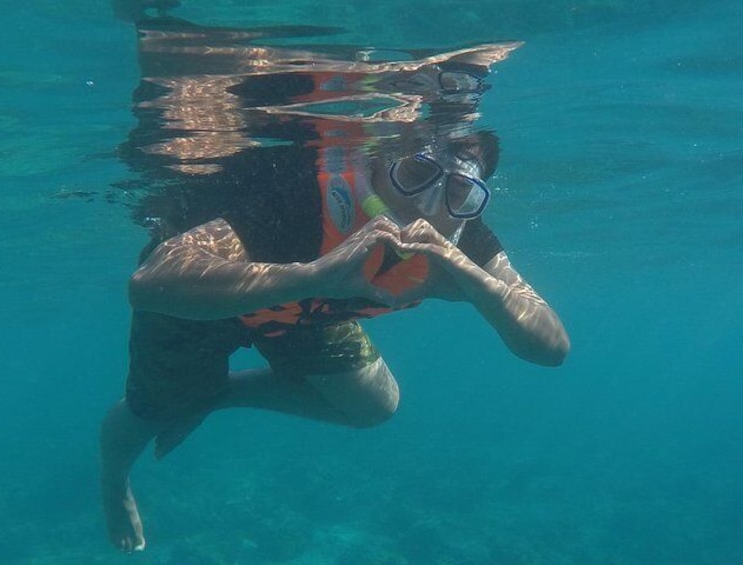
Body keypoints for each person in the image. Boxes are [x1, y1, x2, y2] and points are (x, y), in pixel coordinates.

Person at [101, 6, 570, 553]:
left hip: (303, 312)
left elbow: (551, 348)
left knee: (374, 406)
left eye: (459, 194)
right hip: (207, 301)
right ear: (377, 161)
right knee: (152, 412)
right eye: (414, 173)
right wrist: (314, 276)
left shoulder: (463, 240)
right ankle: (113, 481)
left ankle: (216, 395)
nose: (427, 204)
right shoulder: (303, 194)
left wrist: (470, 277)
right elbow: (152, 282)